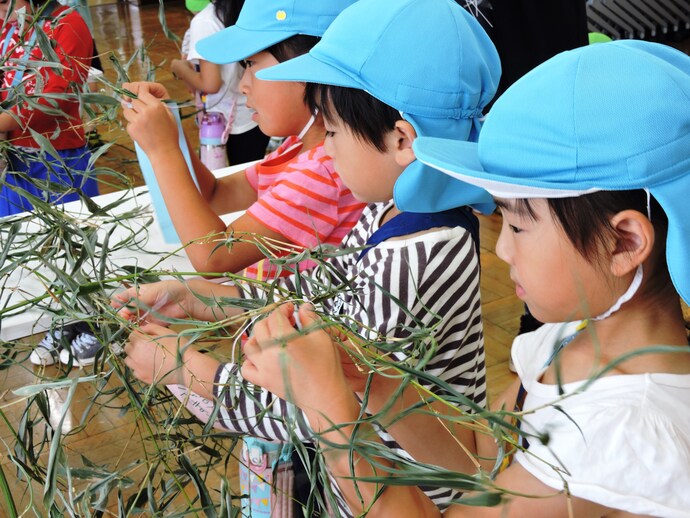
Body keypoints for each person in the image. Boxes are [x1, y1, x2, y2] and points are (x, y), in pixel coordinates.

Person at [241, 40, 690, 516]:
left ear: (623, 243)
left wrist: (330, 411)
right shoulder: (573, 336)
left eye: (519, 225)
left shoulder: (625, 432)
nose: (502, 248)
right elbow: (479, 450)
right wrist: (373, 380)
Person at [113, 0, 500, 514]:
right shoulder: (389, 211)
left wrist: (184, 369)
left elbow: (314, 403)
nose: (327, 148)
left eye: (334, 131)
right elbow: (313, 302)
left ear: (402, 140)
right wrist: (199, 298)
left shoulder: (418, 256)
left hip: (405, 494)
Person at [121, 0, 364, 280]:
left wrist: (162, 151)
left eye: (251, 64)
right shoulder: (299, 148)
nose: (242, 84)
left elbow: (214, 258)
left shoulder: (322, 170)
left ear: (310, 69)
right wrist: (170, 132)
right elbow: (216, 195)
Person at [0, 0, 98, 217]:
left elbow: (57, 97)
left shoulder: (67, 24)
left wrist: (1, 123)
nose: (1, 10)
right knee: (17, 235)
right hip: (11, 161)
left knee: (70, 230)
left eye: (4, 1)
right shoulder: (8, 26)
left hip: (57, 157)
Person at [172, 0, 270, 166]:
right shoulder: (250, 9)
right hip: (256, 115)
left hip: (227, 123)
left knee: (233, 180)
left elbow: (211, 84)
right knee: (253, 175)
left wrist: (179, 68)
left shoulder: (205, 22)